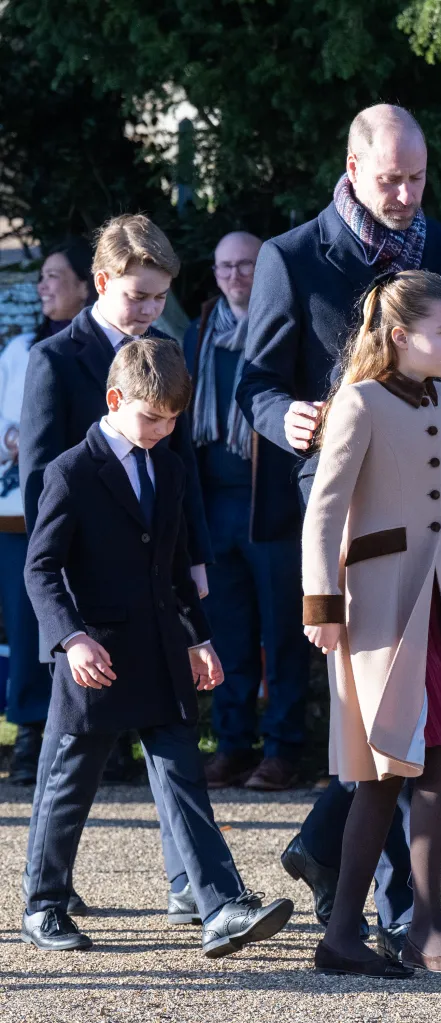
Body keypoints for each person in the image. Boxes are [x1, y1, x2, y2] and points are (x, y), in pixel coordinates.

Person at [238, 103, 441, 960]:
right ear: (352, 168)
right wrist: (288, 419)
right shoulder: (289, 257)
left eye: (417, 177)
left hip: (434, 530)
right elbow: (255, 382)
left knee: (409, 740)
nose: (404, 193)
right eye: (389, 178)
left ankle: (353, 884)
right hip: (350, 526)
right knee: (389, 739)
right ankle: (396, 914)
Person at [21, 337, 293, 954]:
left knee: (181, 774)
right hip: (95, 658)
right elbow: (40, 569)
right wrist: (71, 638)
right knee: (68, 782)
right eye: (152, 416)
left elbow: (172, 568)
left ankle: (220, 906)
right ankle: (43, 905)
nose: (163, 429)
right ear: (115, 400)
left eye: (173, 419)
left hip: (162, 650)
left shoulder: (168, 466)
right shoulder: (70, 471)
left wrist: (200, 639)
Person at [19, 214, 213, 922]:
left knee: (168, 733)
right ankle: (49, 884)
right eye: (138, 296)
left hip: (155, 585)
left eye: (160, 297)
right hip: (78, 589)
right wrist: (65, 623)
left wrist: (195, 569)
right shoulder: (57, 358)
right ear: (101, 283)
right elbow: (44, 484)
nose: (150, 311)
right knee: (72, 747)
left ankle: (188, 881)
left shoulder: (166, 355)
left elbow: (180, 474)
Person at [303, 270, 441, 978]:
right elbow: (324, 509)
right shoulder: (359, 403)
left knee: (436, 754)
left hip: (434, 606)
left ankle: (393, 927)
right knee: (387, 766)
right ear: (401, 335)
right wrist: (322, 603)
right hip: (375, 606)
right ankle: (381, 929)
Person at [184, 231, 308, 791]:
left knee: (284, 635)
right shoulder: (199, 333)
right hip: (214, 508)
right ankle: (232, 746)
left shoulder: (283, 331)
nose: (235, 276)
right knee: (229, 634)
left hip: (272, 507)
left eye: (247, 265)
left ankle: (283, 750)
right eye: (224, 266)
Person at [0, 240, 95, 785]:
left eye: (55, 276)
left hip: (99, 508)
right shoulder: (20, 350)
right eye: (41, 277)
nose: (44, 286)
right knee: (29, 619)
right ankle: (31, 733)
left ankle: (105, 733)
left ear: (87, 285)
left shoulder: (109, 347)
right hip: (23, 513)